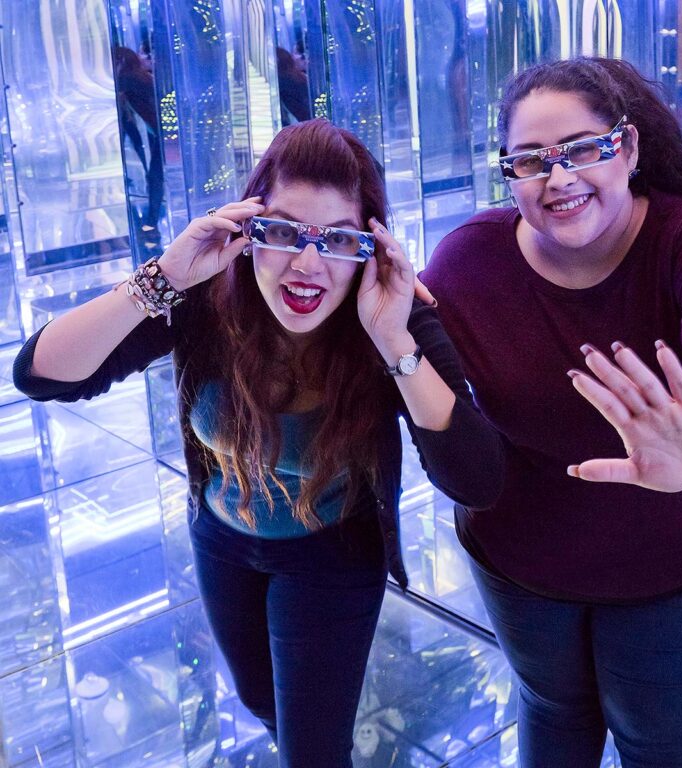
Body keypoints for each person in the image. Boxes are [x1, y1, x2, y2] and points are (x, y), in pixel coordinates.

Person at [13, 119, 503, 766]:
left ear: (370, 248)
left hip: (333, 551)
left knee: (314, 750)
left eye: (337, 241)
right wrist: (164, 276)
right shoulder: (211, 297)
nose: (307, 263)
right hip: (222, 537)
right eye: (282, 233)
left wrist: (393, 342)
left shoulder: (391, 315)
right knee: (258, 697)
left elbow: (477, 479)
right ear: (248, 232)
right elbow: (43, 376)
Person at [421, 56, 682, 768]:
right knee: (551, 715)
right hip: (523, 561)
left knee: (657, 735)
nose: (561, 179)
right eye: (531, 162)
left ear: (630, 147)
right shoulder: (466, 264)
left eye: (584, 149)